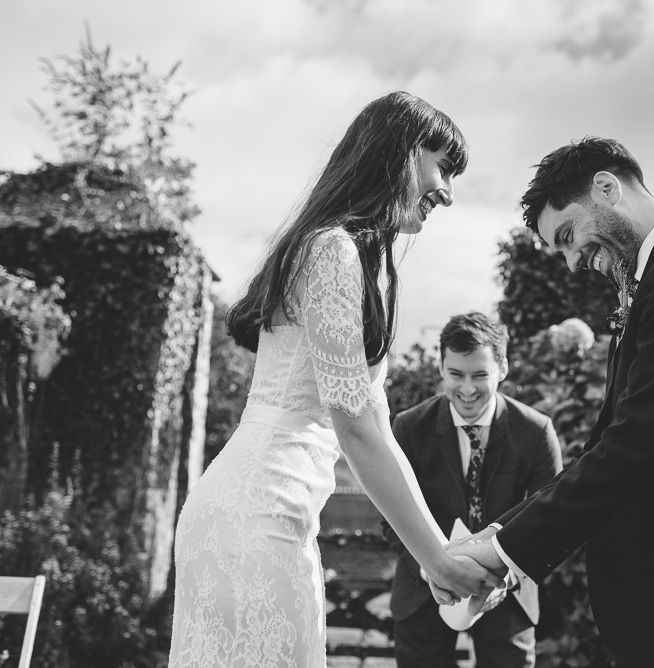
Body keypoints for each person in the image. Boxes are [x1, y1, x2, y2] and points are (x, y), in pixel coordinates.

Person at [168, 92, 497, 668]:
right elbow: (359, 427)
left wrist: (435, 552)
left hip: (270, 513)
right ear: (402, 154)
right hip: (256, 514)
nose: (447, 190)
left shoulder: (357, 259)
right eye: (442, 166)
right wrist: (438, 560)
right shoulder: (333, 251)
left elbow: (372, 426)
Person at [448, 137, 654, 667]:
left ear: (606, 187)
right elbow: (604, 443)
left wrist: (502, 552)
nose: (574, 262)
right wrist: (502, 537)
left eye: (568, 235)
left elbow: (637, 445)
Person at [386, 312, 563, 668]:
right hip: (423, 591)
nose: (467, 389)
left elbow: (552, 520)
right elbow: (390, 521)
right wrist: (435, 569)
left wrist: (505, 574)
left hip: (507, 592)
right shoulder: (408, 428)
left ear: (503, 368)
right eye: (456, 375)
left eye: (480, 375)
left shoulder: (536, 431)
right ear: (441, 368)